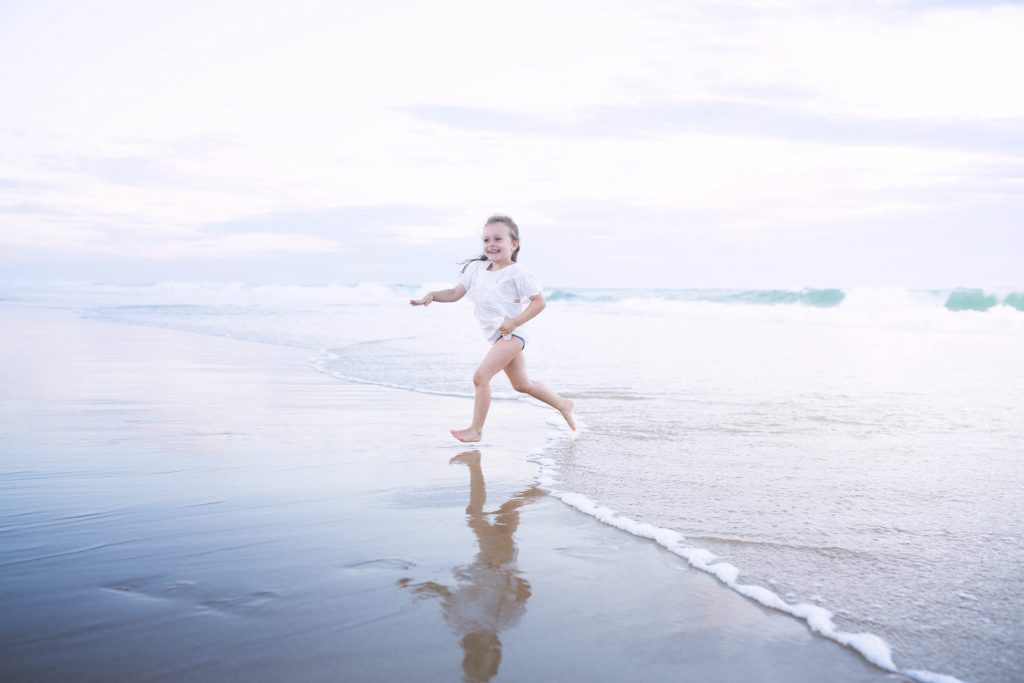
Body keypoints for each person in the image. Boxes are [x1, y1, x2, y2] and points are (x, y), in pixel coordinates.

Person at [409, 215, 575, 442]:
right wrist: (432, 296)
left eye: (498, 238)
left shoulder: (519, 273)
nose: (491, 244)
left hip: (512, 336)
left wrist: (515, 322)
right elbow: (455, 294)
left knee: (480, 377)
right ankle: (562, 404)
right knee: (521, 385)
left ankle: (476, 429)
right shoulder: (477, 269)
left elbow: (539, 302)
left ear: (514, 244)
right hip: (497, 336)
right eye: (486, 240)